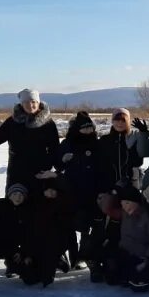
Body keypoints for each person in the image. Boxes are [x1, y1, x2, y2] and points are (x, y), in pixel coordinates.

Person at [0, 89, 59, 190]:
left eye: (33, 102)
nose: (30, 105)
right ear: (21, 104)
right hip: (16, 174)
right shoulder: (13, 122)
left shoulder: (48, 124)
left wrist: (48, 169)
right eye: (26, 102)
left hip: (40, 174)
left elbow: (55, 150)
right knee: (14, 204)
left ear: (38, 103)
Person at [10, 173, 74, 288]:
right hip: (36, 246)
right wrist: (26, 253)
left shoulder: (62, 203)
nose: (50, 193)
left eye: (53, 191)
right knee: (29, 278)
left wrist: (56, 178)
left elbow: (68, 192)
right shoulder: (35, 205)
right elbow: (28, 232)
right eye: (47, 190)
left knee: (46, 276)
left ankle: (57, 261)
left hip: (54, 245)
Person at [55, 111, 100, 269]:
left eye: (90, 128)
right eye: (84, 128)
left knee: (88, 226)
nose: (88, 131)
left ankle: (83, 255)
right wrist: (63, 160)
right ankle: (72, 255)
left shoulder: (96, 143)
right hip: (71, 190)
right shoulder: (67, 143)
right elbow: (58, 165)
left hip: (92, 190)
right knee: (70, 224)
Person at [102, 185, 149, 291]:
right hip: (124, 253)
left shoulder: (147, 216)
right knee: (112, 278)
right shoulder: (123, 213)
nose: (125, 206)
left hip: (140, 257)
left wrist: (148, 260)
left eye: (127, 203)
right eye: (122, 203)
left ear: (136, 202)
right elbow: (106, 208)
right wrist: (112, 193)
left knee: (138, 286)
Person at [97, 108, 149, 192]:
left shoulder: (134, 138)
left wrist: (143, 133)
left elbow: (140, 158)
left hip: (131, 182)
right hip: (108, 184)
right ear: (112, 121)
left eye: (123, 120)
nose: (120, 123)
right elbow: (99, 162)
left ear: (128, 122)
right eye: (117, 120)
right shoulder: (105, 140)